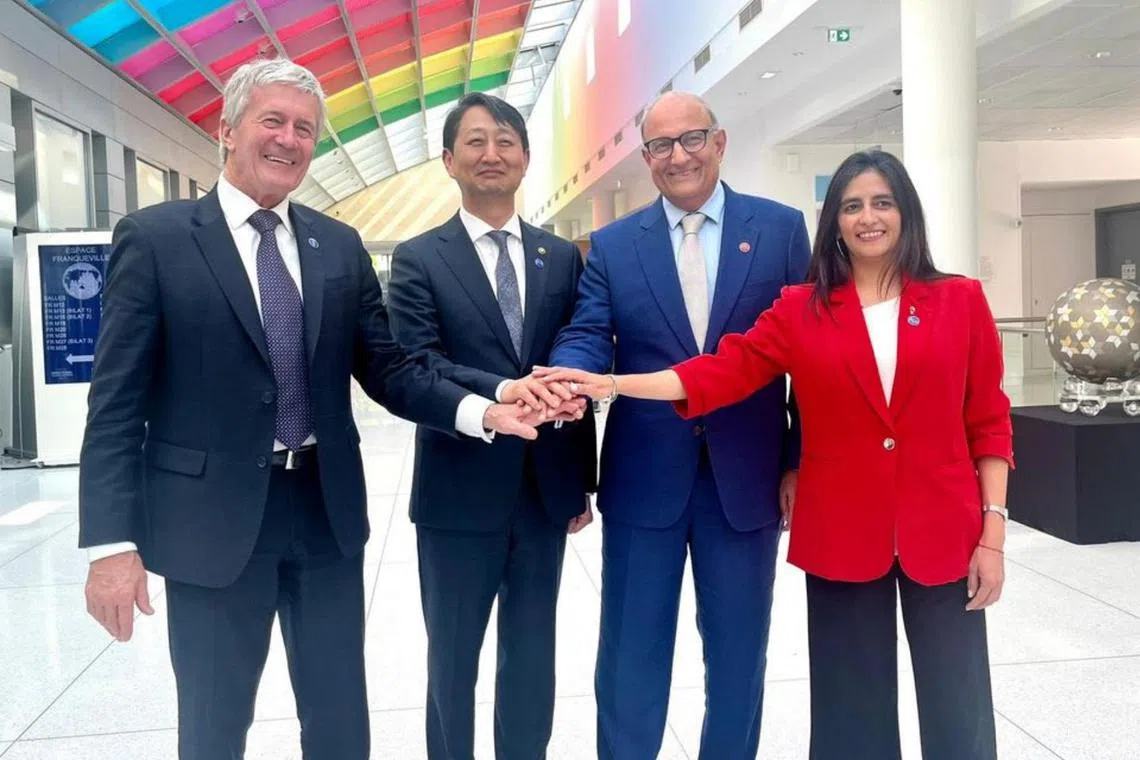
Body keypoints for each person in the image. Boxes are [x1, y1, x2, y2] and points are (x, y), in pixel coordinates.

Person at [78, 58, 541, 760]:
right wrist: (112, 544)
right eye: (273, 121)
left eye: (304, 128)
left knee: (339, 722)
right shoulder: (157, 239)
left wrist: (483, 406)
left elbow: (388, 368)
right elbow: (116, 401)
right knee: (214, 724)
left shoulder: (337, 246)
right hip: (211, 522)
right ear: (227, 129)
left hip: (324, 513)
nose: (289, 139)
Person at [540, 148, 1013, 760]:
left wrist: (992, 533)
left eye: (882, 203)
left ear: (906, 213)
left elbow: (988, 421)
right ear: (834, 221)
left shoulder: (960, 300)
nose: (868, 218)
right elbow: (718, 372)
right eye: (852, 206)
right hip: (844, 533)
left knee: (959, 708)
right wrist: (611, 383)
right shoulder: (803, 309)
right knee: (851, 714)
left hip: (945, 530)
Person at [547, 90, 808, 759]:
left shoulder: (779, 230)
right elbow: (589, 332)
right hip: (644, 481)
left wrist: (798, 460)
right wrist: (569, 374)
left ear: (719, 142)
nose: (678, 156)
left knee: (739, 658)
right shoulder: (613, 245)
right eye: (660, 145)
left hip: (747, 482)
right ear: (646, 158)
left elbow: (811, 358)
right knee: (630, 658)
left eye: (691, 138)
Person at [385, 93, 597, 760]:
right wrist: (503, 390)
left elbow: (576, 352)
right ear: (449, 160)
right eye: (475, 141)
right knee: (453, 661)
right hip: (457, 494)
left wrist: (579, 481)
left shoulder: (559, 257)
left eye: (505, 141)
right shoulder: (419, 258)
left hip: (543, 493)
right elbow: (417, 362)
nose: (491, 154)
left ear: (526, 159)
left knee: (533, 656)